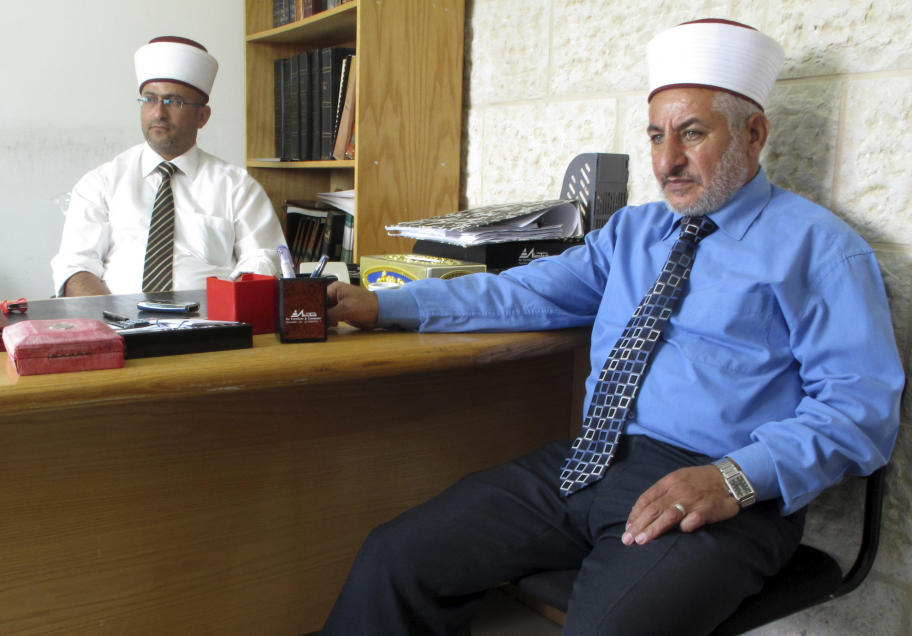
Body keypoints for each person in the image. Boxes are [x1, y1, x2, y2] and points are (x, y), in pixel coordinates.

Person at [319, 19, 904, 636]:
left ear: (753, 134)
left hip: (724, 492)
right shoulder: (635, 232)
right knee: (398, 556)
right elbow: (525, 291)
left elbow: (860, 411)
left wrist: (734, 478)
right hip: (593, 460)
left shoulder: (819, 249)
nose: (666, 161)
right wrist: (385, 307)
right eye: (656, 136)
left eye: (692, 134)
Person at [51, 36, 286, 297]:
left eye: (174, 101)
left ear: (202, 117)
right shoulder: (101, 183)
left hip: (211, 329)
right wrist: (113, 322)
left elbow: (264, 258)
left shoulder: (237, 187)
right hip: (118, 328)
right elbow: (75, 266)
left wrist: (230, 311)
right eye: (150, 99)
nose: (158, 113)